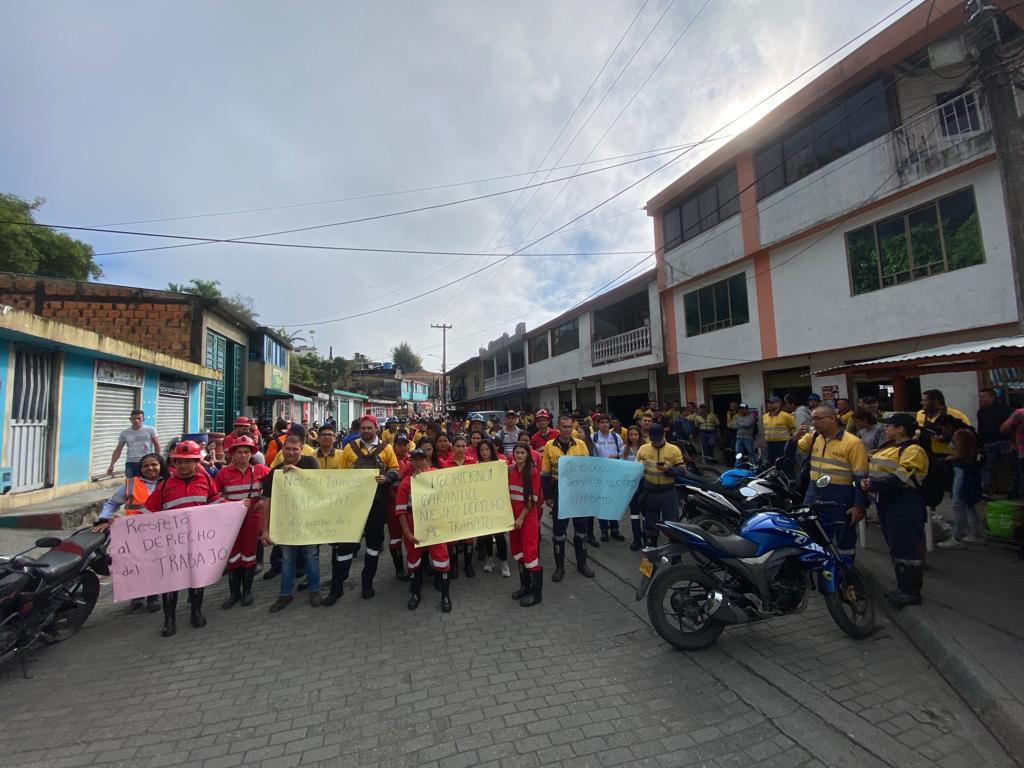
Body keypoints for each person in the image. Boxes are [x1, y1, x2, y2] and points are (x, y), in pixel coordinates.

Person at [143, 440, 222, 637]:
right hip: (172, 544)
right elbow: (148, 511)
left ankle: (196, 613)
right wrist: (121, 523)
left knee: (197, 579)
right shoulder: (165, 485)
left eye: (188, 462)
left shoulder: (205, 481)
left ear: (197, 462)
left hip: (198, 541)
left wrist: (238, 506)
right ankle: (169, 621)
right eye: (179, 462)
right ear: (173, 463)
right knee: (171, 583)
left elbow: (217, 501)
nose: (183, 466)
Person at [326, 415, 401, 604]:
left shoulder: (387, 448)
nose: (366, 431)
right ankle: (337, 587)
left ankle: (367, 582)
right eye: (363, 428)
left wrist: (388, 478)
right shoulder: (350, 449)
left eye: (369, 428)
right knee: (345, 547)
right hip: (353, 506)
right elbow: (341, 476)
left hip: (377, 504)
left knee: (374, 547)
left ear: (376, 428)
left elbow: (395, 468)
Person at [862, 414, 929, 608]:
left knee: (907, 546)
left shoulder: (913, 450)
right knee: (896, 545)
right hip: (887, 502)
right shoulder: (890, 448)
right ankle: (902, 588)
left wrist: (872, 484)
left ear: (901, 429)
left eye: (889, 426)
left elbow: (900, 478)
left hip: (904, 503)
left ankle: (911, 592)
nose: (885, 429)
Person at [789, 405, 868, 559]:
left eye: (818, 419)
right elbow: (789, 453)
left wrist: (859, 506)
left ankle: (846, 575)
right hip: (814, 493)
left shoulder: (852, 443)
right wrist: (795, 437)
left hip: (840, 495)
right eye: (813, 419)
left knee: (844, 536)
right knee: (812, 533)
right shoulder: (814, 438)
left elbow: (861, 477)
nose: (814, 423)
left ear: (832, 419)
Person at [92, 452, 166, 613]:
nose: (150, 468)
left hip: (159, 532)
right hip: (133, 532)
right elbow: (112, 503)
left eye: (154, 464)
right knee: (135, 564)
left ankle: (153, 597)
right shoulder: (130, 484)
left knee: (154, 564)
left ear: (161, 466)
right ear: (140, 468)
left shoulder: (169, 482)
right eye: (146, 466)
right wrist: (104, 518)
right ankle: (137, 596)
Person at [261, 435, 322, 612]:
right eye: (288, 449)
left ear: (301, 450)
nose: (291, 452)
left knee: (312, 557)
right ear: (283, 450)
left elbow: (321, 486)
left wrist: (297, 472)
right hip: (287, 524)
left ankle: (314, 591)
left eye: (295, 449)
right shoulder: (275, 472)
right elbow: (268, 501)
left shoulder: (310, 463)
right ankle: (285, 594)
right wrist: (265, 529)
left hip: (309, 522)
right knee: (287, 560)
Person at [214, 435, 269, 608]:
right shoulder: (223, 473)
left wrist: (262, 499)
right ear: (233, 454)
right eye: (239, 452)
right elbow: (214, 496)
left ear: (251, 454)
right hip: (231, 522)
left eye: (246, 452)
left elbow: (274, 488)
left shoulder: (262, 471)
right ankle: (233, 593)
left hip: (253, 520)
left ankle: (247, 591)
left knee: (249, 554)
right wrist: (229, 505)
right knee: (233, 556)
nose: (243, 456)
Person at [395, 449, 452, 612]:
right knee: (413, 563)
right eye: (415, 460)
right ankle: (415, 593)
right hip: (414, 529)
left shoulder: (436, 475)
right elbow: (400, 511)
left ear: (427, 461)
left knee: (442, 561)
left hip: (435, 528)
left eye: (421, 459)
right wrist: (407, 533)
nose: (418, 463)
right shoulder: (406, 483)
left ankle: (445, 596)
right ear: (411, 462)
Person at [541, 414, 594, 582]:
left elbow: (588, 469)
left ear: (573, 428)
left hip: (578, 492)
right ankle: (559, 567)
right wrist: (548, 496)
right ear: (558, 427)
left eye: (570, 427)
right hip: (559, 492)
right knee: (559, 532)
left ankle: (582, 564)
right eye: (564, 427)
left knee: (581, 530)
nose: (567, 430)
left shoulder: (581, 445)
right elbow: (545, 474)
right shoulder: (550, 445)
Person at [935, 416, 984, 549]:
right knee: (968, 504)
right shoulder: (964, 432)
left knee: (959, 503)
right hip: (969, 470)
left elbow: (963, 454)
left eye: (943, 428)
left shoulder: (960, 434)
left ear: (949, 425)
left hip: (963, 470)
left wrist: (947, 458)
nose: (943, 432)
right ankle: (975, 534)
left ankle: (958, 536)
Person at [635, 424, 685, 547]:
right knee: (650, 523)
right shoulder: (643, 449)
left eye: (658, 439)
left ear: (663, 435)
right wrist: (638, 466)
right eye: (653, 440)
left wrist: (669, 469)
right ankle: (651, 550)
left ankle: (675, 555)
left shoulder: (673, 449)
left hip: (668, 492)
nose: (656, 442)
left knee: (672, 523)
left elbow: (682, 469)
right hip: (650, 491)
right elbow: (635, 468)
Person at [508, 443, 543, 607]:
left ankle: (536, 594)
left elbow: (531, 500)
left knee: (530, 554)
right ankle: (524, 586)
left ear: (528, 455)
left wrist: (521, 518)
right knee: (518, 552)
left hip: (526, 518)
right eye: (517, 452)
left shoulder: (533, 471)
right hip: (513, 518)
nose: (519, 455)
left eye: (522, 452)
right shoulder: (510, 470)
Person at [476, 439, 511, 577]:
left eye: (487, 449)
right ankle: (490, 560)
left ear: (492, 450)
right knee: (486, 535)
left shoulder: (500, 465)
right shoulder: (476, 466)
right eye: (482, 450)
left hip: (498, 505)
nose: (484, 452)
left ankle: (504, 563)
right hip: (483, 506)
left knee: (500, 535)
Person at [592, 415, 625, 543]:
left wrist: (616, 456)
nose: (605, 424)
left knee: (613, 502)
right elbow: (591, 455)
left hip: (614, 475)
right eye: (602, 422)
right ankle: (604, 530)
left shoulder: (616, 437)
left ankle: (615, 529)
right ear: (598, 424)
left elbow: (623, 452)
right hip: (600, 475)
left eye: (606, 422)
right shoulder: (593, 437)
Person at [977, 388, 1012, 498]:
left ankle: (1013, 489)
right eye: (980, 396)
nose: (981, 399)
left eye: (984, 396)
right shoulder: (981, 411)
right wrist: (980, 444)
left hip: (1004, 441)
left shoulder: (1003, 409)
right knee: (988, 467)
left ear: (992, 397)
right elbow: (981, 428)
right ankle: (987, 491)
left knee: (1009, 467)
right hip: (989, 443)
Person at [106, 409, 160, 478]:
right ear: (130, 419)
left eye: (139, 418)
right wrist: (112, 464)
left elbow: (156, 444)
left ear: (143, 419)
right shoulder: (125, 433)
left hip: (146, 462)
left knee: (146, 484)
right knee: (130, 486)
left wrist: (157, 459)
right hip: (130, 463)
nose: (136, 420)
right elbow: (118, 450)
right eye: (134, 418)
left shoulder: (150, 430)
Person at [622, 426, 646, 550]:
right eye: (631, 434)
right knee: (634, 513)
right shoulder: (624, 450)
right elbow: (622, 467)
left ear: (639, 435)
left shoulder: (645, 449)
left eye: (635, 434)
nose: (633, 437)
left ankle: (647, 537)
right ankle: (637, 539)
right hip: (631, 485)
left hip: (644, 483)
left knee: (646, 512)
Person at [762, 396, 796, 468]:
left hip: (782, 444)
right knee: (770, 463)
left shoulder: (786, 416)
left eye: (772, 403)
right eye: (768, 403)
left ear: (779, 404)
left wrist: (792, 444)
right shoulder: (765, 416)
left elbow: (793, 430)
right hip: (769, 444)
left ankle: (787, 477)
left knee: (783, 462)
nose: (769, 404)